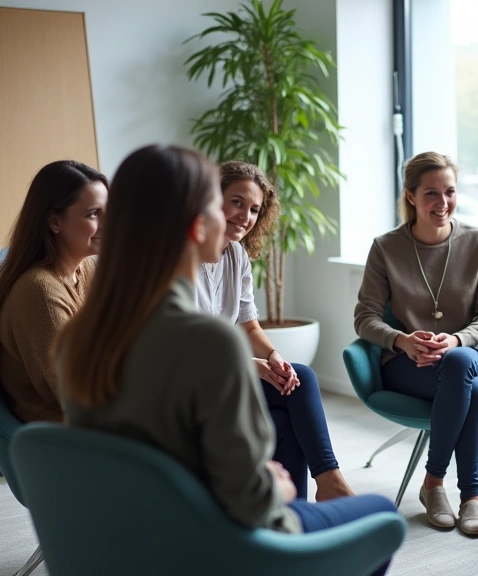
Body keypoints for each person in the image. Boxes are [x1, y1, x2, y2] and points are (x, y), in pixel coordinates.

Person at [57, 145, 396, 576]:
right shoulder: (208, 343)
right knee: (381, 516)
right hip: (209, 544)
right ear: (198, 224)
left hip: (132, 541)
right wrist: (272, 484)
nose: (239, 218)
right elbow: (248, 502)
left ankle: (313, 499)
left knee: (292, 409)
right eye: (224, 205)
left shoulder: (78, 338)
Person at [354, 151, 478, 536]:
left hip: (465, 355)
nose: (443, 203)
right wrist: (401, 340)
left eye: (449, 192)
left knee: (459, 364)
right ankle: (469, 496)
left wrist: (456, 339)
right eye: (431, 194)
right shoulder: (386, 247)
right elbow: (364, 318)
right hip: (408, 363)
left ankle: (434, 483)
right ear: (411, 196)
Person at [195, 161, 352, 502]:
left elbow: (249, 325)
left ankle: (300, 505)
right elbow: (191, 347)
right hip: (197, 382)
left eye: (254, 209)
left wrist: (273, 355)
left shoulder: (236, 255)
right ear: (212, 199)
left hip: (226, 374)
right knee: (302, 384)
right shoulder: (181, 260)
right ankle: (328, 484)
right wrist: (252, 364)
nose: (246, 216)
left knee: (292, 394)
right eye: (237, 202)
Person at [0, 161, 107, 422]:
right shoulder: (39, 292)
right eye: (93, 214)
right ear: (54, 221)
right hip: (62, 440)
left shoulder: (85, 269)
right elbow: (78, 399)